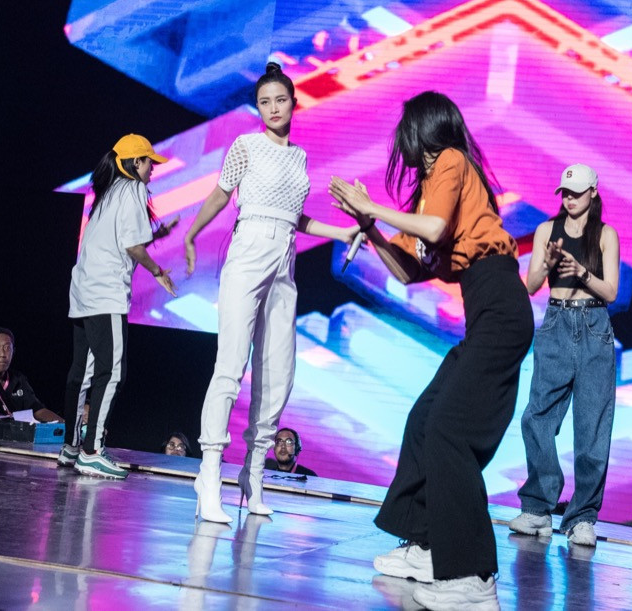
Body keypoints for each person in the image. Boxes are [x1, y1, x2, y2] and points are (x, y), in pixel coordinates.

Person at [329, 91, 533, 610]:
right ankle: (426, 546)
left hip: (501, 304)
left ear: (422, 129)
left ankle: (472, 577)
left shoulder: (451, 161)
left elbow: (437, 230)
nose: (399, 140)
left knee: (448, 430)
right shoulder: (429, 190)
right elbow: (409, 271)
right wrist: (371, 229)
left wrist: (372, 208)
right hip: (483, 311)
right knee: (424, 419)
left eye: (405, 130)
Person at [185, 62, 360, 524]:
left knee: (278, 370)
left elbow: (294, 218)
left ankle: (254, 472)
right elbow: (221, 194)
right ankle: (208, 474)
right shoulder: (246, 146)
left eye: (280, 100)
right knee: (231, 366)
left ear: (293, 103)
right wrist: (191, 234)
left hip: (285, 257)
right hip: (248, 250)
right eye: (265, 102)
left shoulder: (299, 156)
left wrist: (341, 233)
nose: (273, 108)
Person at [510, 164, 620, 547]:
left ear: (593, 192)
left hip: (593, 326)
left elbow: (611, 292)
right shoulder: (547, 231)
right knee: (536, 417)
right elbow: (531, 285)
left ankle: (582, 517)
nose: (570, 199)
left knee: (592, 427)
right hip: (556, 322)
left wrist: (581, 272)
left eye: (577, 192)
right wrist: (547, 263)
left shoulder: (605, 235)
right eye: (565, 193)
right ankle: (538, 508)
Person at [58, 134, 178, 480]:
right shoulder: (134, 189)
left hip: (83, 290)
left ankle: (71, 447)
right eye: (149, 162)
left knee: (81, 373)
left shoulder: (107, 192)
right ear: (135, 163)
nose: (152, 170)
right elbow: (132, 246)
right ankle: (92, 452)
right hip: (105, 293)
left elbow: (121, 240)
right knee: (112, 373)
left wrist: (158, 236)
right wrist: (158, 272)